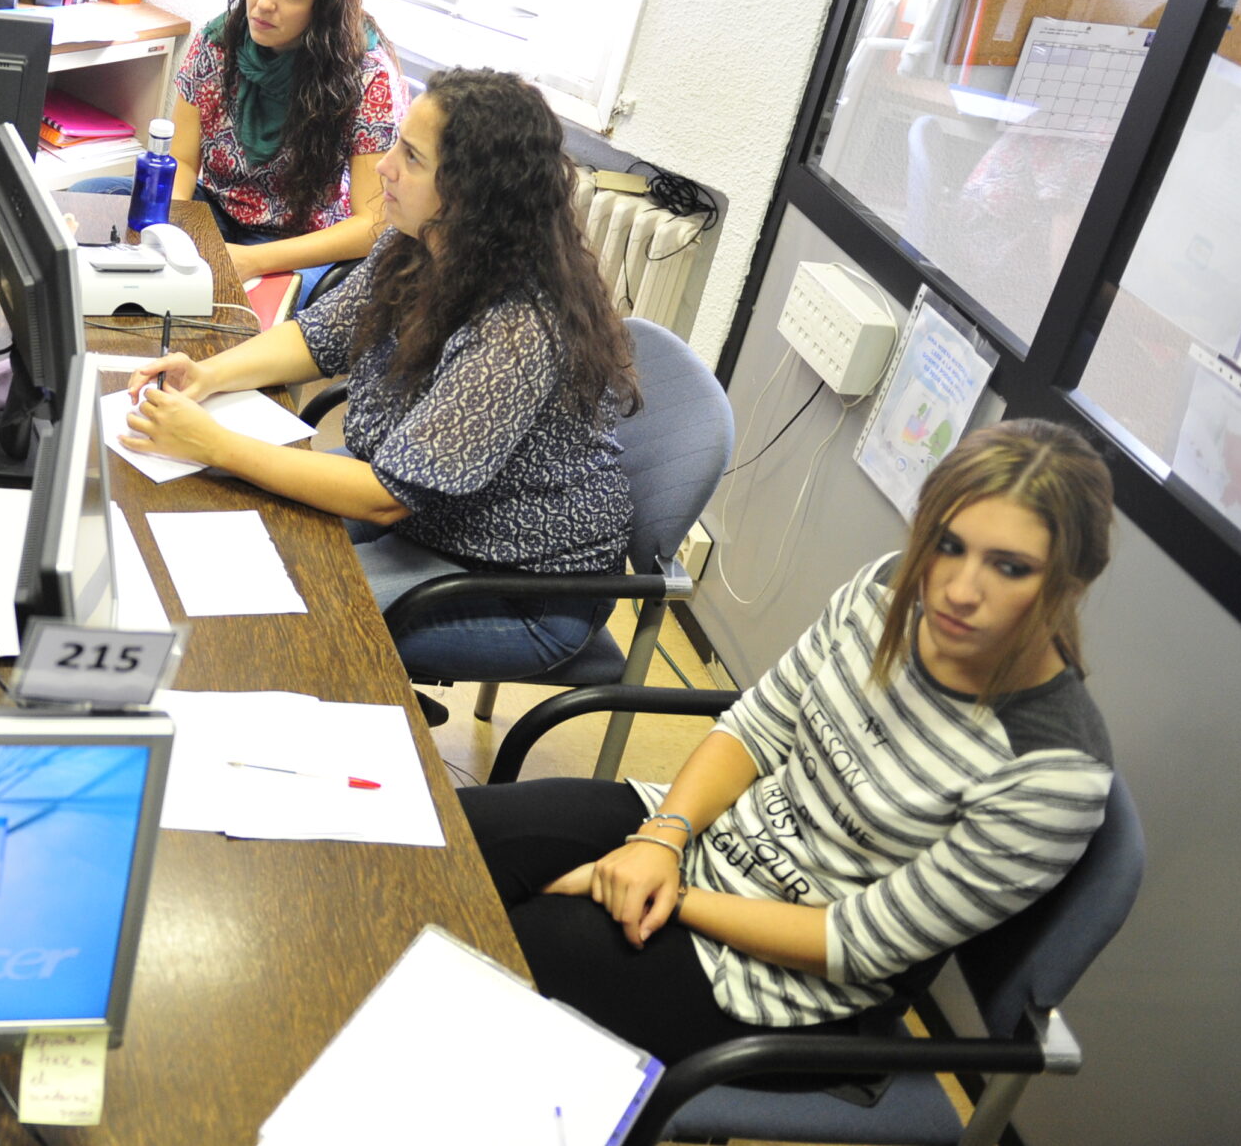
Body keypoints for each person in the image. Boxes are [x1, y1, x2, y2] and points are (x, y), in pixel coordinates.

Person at [455, 420, 1116, 1071]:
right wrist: (663, 838)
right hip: (711, 843)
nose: (960, 589)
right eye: (947, 544)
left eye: (1010, 567)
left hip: (789, 979)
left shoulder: (1052, 772)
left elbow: (855, 943)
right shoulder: (889, 591)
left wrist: (664, 892)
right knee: (449, 832)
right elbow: (756, 726)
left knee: (502, 946)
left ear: (1071, 583)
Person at [123, 66, 636, 682]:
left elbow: (386, 497)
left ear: (472, 191)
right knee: (230, 539)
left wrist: (215, 443)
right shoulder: (420, 241)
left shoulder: (519, 328)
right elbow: (320, 336)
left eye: (411, 158)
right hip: (431, 514)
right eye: (396, 143)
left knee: (270, 615)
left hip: (520, 585)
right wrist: (206, 376)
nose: (384, 168)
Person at [83, 0, 399, 294]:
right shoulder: (218, 41)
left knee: (228, 306)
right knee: (87, 201)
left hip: (298, 242)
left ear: (324, 6)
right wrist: (169, 228)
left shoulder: (366, 74)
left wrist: (251, 260)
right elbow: (182, 161)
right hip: (213, 210)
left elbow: (373, 222)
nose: (264, 3)